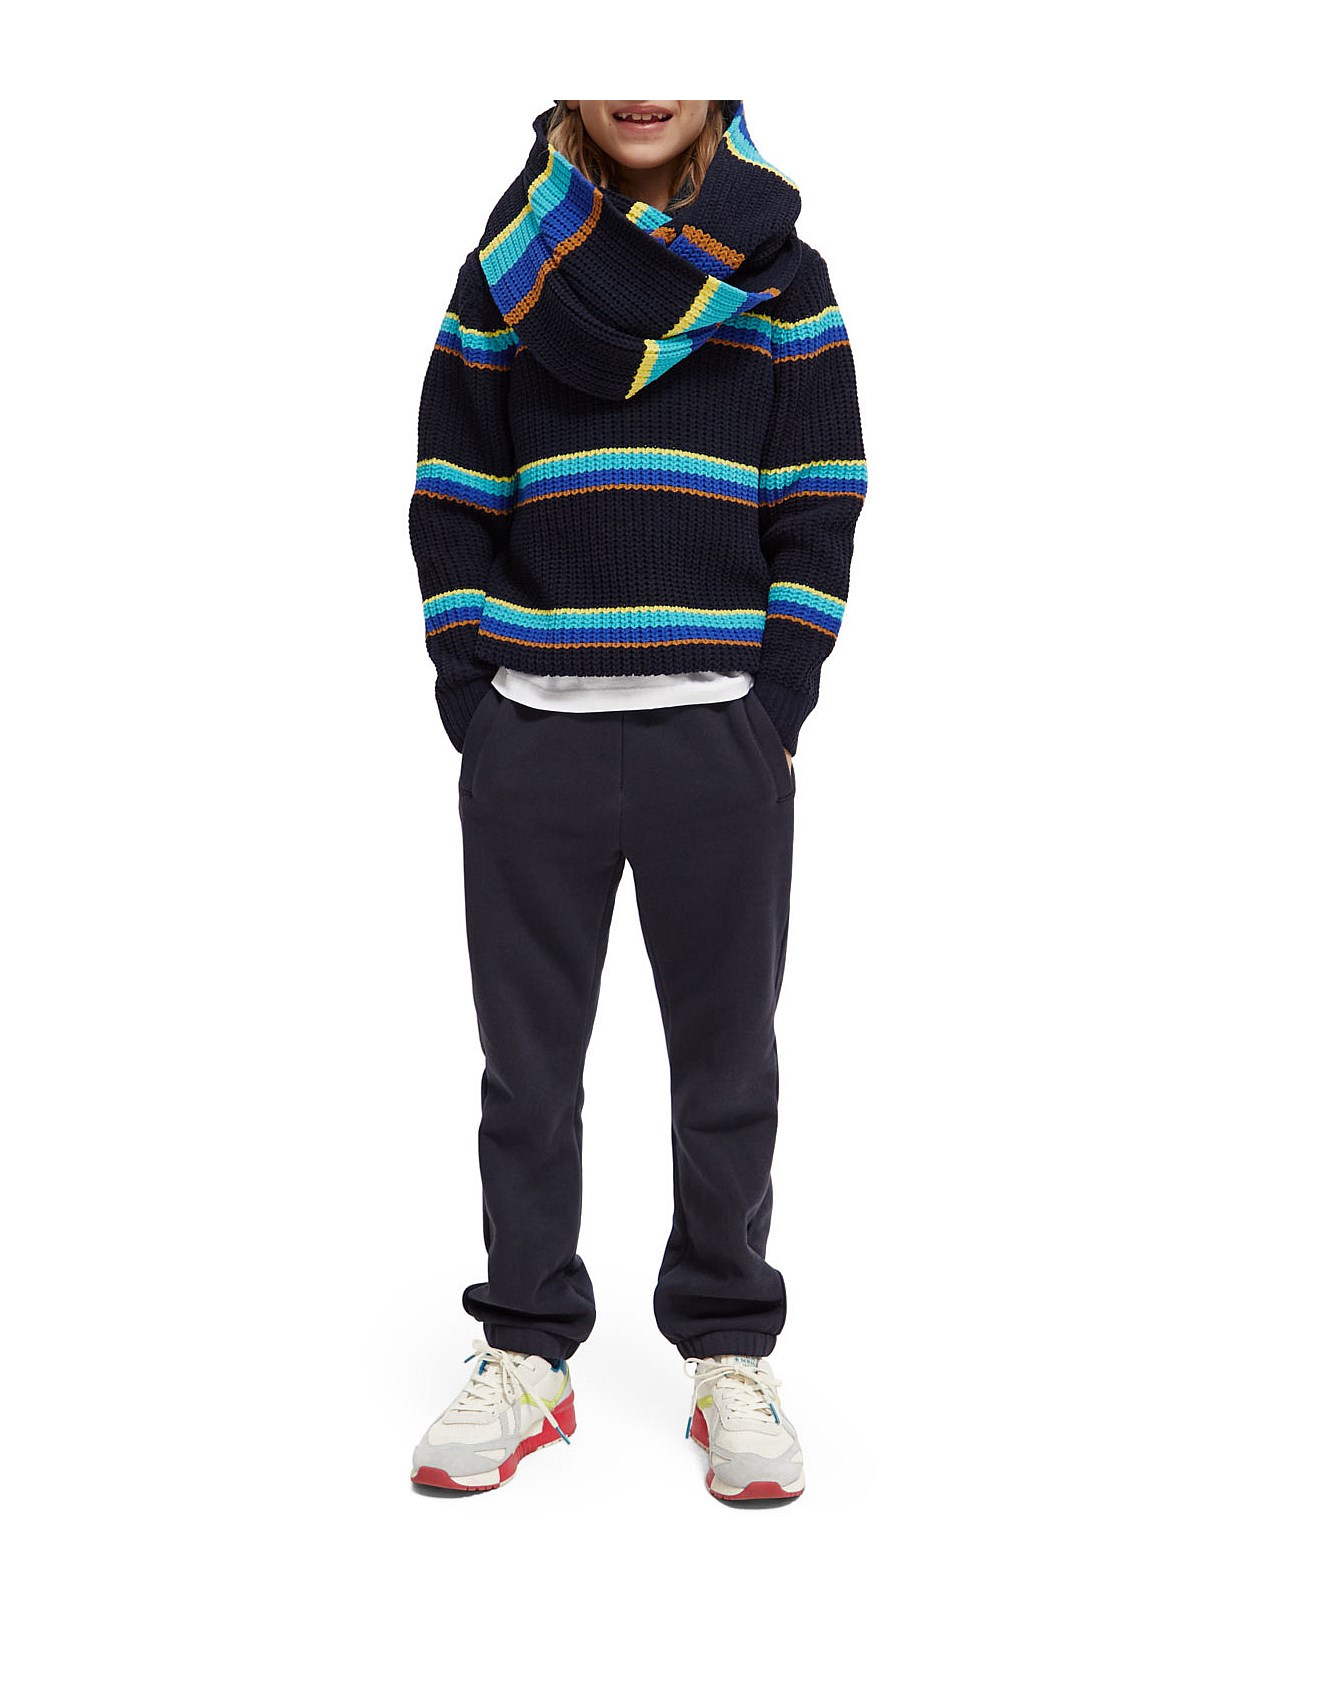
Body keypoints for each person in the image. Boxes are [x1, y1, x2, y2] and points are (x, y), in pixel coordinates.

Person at [406, 99, 867, 1503]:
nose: (643, 81)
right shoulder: (508, 266)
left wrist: (775, 702)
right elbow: (451, 486)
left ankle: (729, 1348)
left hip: (715, 735)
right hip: (533, 734)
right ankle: (528, 1348)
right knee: (526, 1074)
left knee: (727, 1070)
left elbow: (822, 491)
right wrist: (474, 698)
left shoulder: (779, 272)